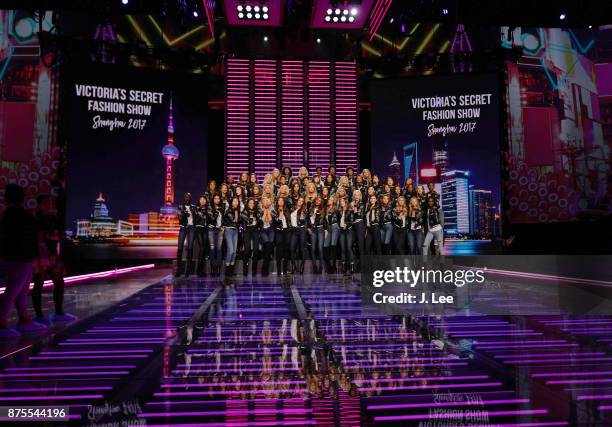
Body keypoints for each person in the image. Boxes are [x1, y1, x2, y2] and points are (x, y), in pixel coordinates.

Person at [0, 184, 47, 337]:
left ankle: (24, 319)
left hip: (17, 256)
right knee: (14, 290)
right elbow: (39, 227)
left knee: (21, 290)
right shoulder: (20, 214)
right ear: (22, 198)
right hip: (19, 257)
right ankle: (1, 323)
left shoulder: (9, 213)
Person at [31, 194, 75, 323]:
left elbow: (58, 234)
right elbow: (45, 235)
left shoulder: (52, 218)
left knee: (59, 282)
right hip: (39, 256)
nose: (48, 206)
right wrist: (51, 235)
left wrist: (53, 236)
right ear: (39, 204)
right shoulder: (35, 218)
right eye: (45, 203)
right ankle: (39, 316)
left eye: (50, 203)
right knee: (39, 284)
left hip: (52, 255)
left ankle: (59, 312)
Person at [176, 193, 196, 277]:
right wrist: (184, 213)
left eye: (188, 197)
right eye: (186, 197)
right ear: (184, 198)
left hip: (191, 228)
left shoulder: (193, 207)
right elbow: (180, 218)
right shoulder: (180, 207)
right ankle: (179, 270)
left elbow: (196, 218)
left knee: (190, 248)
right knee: (180, 247)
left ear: (190, 198)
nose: (187, 198)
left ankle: (188, 270)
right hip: (183, 228)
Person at [241, 198, 260, 276]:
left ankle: (254, 270)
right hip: (247, 230)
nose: (251, 204)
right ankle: (245, 268)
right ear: (247, 204)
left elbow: (259, 222)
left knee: (256, 250)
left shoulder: (257, 212)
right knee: (247, 250)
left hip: (255, 230)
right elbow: (244, 221)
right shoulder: (244, 212)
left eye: (253, 203)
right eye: (250, 203)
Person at [223, 197, 241, 276]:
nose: (236, 202)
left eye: (237, 201)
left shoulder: (237, 211)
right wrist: (236, 212)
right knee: (230, 250)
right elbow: (235, 220)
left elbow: (238, 223)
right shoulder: (229, 211)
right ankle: (227, 270)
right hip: (229, 230)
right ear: (231, 202)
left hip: (235, 231)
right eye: (234, 201)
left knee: (234, 251)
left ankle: (231, 270)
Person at [208, 194, 225, 276]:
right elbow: (211, 219)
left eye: (218, 198)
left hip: (219, 230)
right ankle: (212, 268)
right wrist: (215, 212)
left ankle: (218, 268)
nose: (217, 200)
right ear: (213, 199)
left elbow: (224, 220)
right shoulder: (210, 208)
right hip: (211, 229)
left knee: (219, 249)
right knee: (212, 248)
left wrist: (223, 227)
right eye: (215, 198)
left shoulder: (222, 209)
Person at [273, 197, 291, 275]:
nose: (280, 201)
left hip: (286, 231)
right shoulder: (274, 211)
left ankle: (285, 269)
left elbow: (289, 220)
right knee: (279, 250)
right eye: (279, 200)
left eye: (282, 200)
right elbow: (277, 221)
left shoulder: (287, 210)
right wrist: (280, 213)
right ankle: (279, 271)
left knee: (286, 250)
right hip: (278, 231)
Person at [290, 197, 308, 274]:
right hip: (294, 230)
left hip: (301, 230)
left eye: (302, 201)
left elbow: (304, 221)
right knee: (291, 248)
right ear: (297, 201)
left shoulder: (304, 210)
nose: (300, 202)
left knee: (302, 249)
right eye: (299, 200)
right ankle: (293, 266)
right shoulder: (292, 208)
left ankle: (302, 267)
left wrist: (302, 217)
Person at [308, 196, 325, 273]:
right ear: (315, 201)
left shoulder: (322, 209)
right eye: (317, 200)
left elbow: (324, 220)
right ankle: (314, 266)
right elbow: (308, 219)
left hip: (320, 228)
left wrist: (326, 229)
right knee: (313, 248)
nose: (318, 201)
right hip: (313, 229)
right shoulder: (311, 209)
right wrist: (308, 227)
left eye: (320, 200)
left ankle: (321, 267)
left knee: (320, 248)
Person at [323, 196, 340, 273]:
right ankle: (328, 265)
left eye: (332, 200)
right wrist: (325, 229)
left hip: (334, 226)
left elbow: (338, 218)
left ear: (333, 201)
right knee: (325, 246)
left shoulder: (336, 209)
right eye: (329, 199)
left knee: (333, 246)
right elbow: (324, 220)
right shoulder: (325, 209)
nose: (330, 200)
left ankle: (334, 266)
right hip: (328, 228)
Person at [338, 198, 353, 275]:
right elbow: (338, 221)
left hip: (348, 230)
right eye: (340, 201)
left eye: (343, 201)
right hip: (341, 231)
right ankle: (344, 267)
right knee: (343, 249)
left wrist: (346, 224)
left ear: (346, 202)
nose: (341, 203)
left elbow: (351, 220)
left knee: (348, 248)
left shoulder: (350, 210)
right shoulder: (339, 211)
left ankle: (351, 268)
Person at [194, 195, 209, 276]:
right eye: (201, 199)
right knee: (202, 248)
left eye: (204, 199)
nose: (203, 201)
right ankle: (198, 270)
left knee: (204, 249)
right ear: (199, 201)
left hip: (205, 229)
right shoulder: (196, 209)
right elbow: (195, 220)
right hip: (199, 229)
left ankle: (201, 270)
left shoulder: (207, 209)